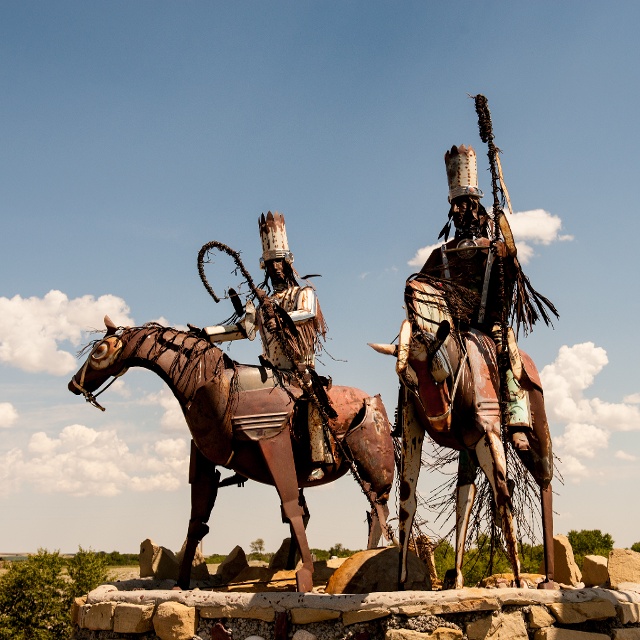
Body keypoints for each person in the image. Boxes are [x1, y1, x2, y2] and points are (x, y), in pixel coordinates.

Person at [415, 144, 531, 449]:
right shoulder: (440, 255)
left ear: (476, 205)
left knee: (508, 352)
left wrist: (507, 257)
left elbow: (509, 284)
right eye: (455, 204)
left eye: (464, 204)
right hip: (452, 331)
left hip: (489, 324)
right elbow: (423, 287)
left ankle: (517, 418)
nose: (458, 211)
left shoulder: (495, 246)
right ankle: (409, 421)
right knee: (412, 357)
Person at [204, 211, 333, 480]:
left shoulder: (303, 293)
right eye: (269, 264)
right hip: (272, 371)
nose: (275, 268)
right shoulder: (264, 304)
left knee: (312, 400)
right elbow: (244, 330)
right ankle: (246, 458)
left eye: (278, 262)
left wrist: (281, 320)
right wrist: (207, 334)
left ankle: (320, 456)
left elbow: (308, 313)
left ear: (288, 263)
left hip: (299, 369)